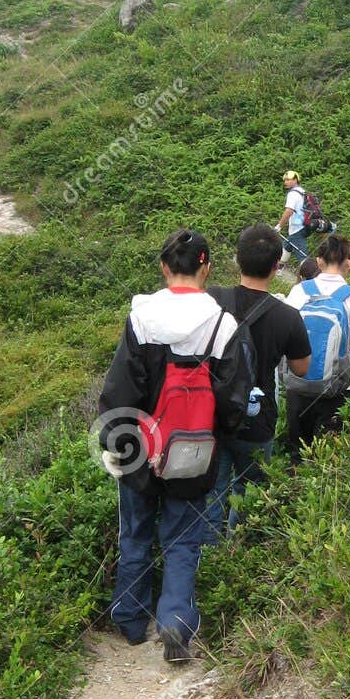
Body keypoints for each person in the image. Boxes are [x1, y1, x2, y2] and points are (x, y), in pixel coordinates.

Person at [97, 228, 251, 663]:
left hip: (141, 448)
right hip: (195, 449)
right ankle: (176, 623)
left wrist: (116, 442)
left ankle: (130, 618)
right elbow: (234, 398)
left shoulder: (142, 317)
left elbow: (120, 388)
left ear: (165, 268)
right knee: (184, 537)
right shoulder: (223, 324)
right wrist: (216, 435)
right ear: (206, 267)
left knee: (136, 532)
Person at [206, 224, 311, 537]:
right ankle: (240, 550)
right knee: (250, 495)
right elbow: (302, 368)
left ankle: (209, 559)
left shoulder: (212, 299)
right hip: (258, 418)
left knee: (212, 492)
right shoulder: (288, 316)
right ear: (277, 266)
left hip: (214, 415)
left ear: (237, 260)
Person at [283, 233, 350, 462]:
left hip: (298, 386)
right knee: (329, 460)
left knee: (298, 456)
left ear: (319, 261)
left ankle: (290, 493)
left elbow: (286, 338)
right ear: (348, 262)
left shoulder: (299, 291)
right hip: (337, 391)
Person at [275, 170, 312, 263]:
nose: (285, 182)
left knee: (302, 258)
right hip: (306, 225)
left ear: (295, 180)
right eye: (285, 180)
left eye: (288, 180)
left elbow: (288, 211)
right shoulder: (303, 192)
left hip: (297, 227)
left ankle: (309, 274)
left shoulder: (292, 194)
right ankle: (279, 269)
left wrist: (279, 226)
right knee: (287, 245)